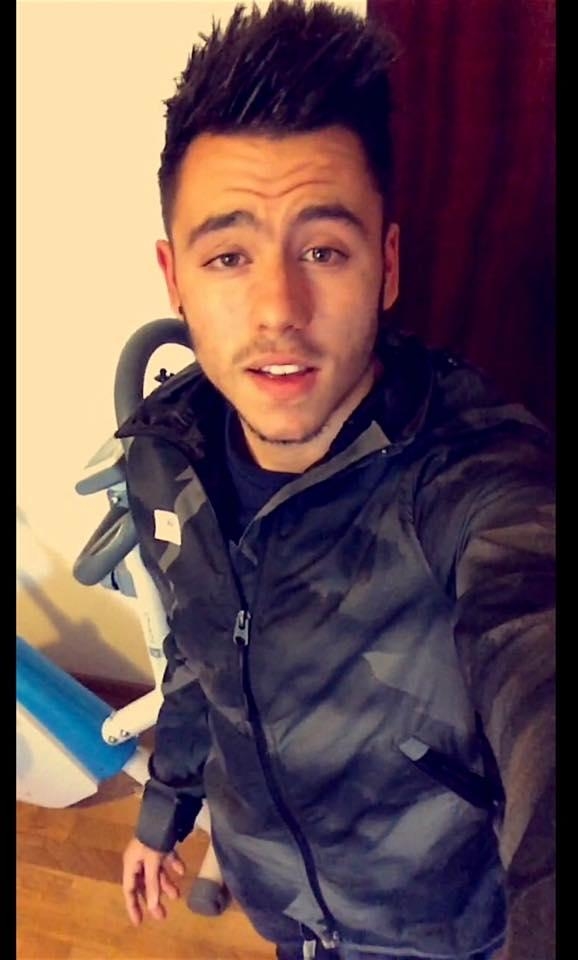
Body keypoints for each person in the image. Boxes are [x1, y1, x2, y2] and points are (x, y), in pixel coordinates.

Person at [119, 2, 555, 958]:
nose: (279, 308)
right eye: (229, 256)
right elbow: (198, 656)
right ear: (175, 277)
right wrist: (165, 810)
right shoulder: (163, 455)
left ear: (386, 264)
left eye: (323, 249)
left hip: (438, 935)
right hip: (284, 914)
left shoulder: (474, 479)